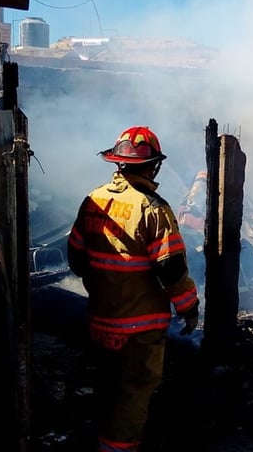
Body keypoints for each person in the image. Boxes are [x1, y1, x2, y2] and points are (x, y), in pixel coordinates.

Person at [68, 126, 200, 452]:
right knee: (133, 394)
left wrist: (104, 287)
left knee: (107, 387)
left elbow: (76, 257)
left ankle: (100, 439)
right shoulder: (153, 208)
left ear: (117, 163)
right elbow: (172, 270)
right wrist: (189, 309)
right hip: (140, 329)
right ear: (153, 166)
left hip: (101, 321)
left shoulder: (93, 200)